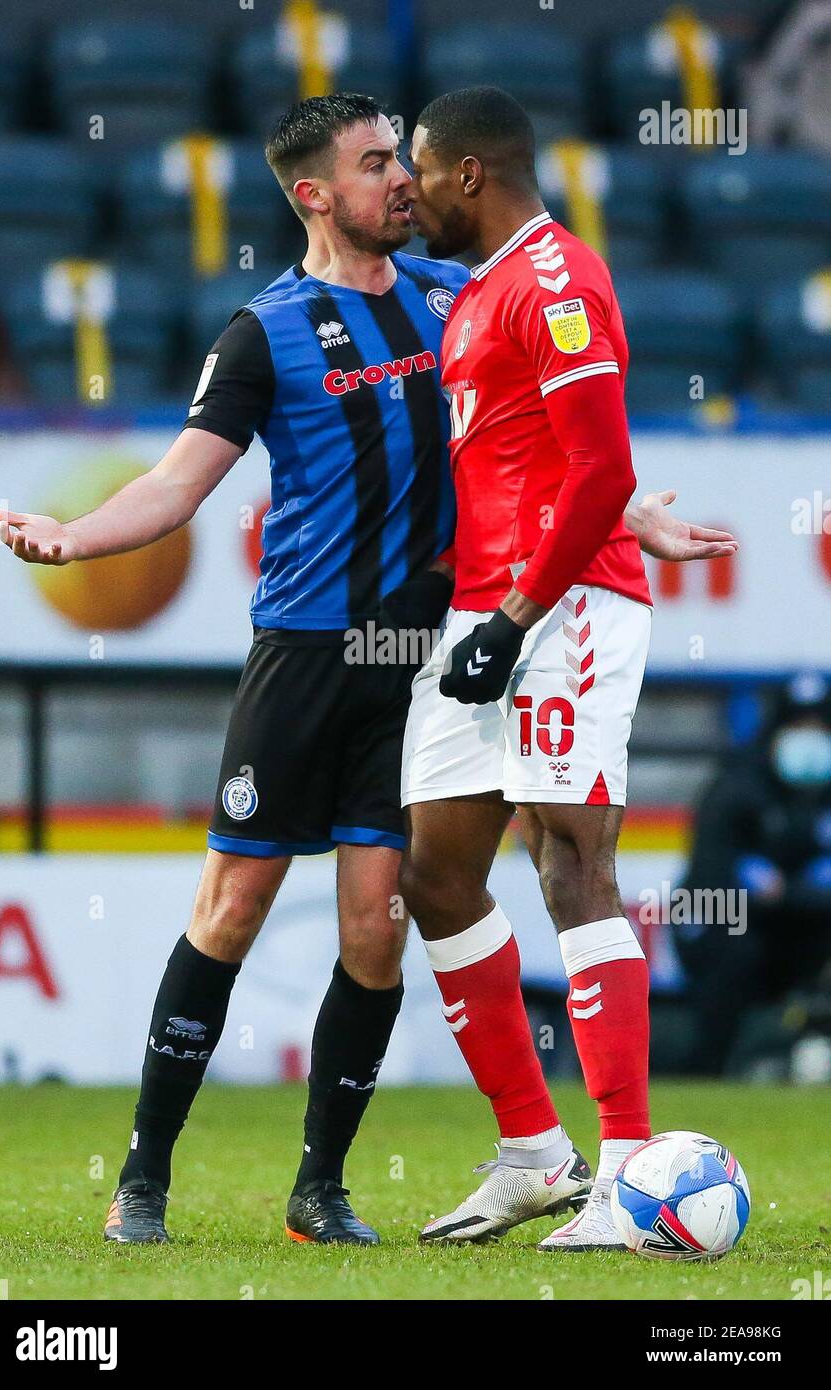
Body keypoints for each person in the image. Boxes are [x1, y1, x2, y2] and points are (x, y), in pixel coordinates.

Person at [0, 91, 734, 1250]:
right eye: (377, 163)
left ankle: (322, 1189)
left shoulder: (456, 296)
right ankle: (142, 1175)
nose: (402, 178)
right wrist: (74, 540)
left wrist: (628, 516)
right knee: (232, 908)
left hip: (435, 654)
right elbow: (178, 484)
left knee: (381, 924)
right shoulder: (263, 328)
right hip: (305, 652)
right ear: (314, 194)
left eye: (405, 159)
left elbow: (534, 439)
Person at [399, 85, 735, 1251]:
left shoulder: (557, 282)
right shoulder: (483, 291)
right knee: (436, 873)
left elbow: (596, 467)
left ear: (471, 175)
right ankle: (536, 1155)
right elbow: (533, 451)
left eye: (423, 173)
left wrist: (526, 608)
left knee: (569, 855)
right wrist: (484, 613)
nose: (411, 191)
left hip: (566, 605)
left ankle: (631, 1170)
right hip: (484, 610)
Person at [677, 672, 831, 1075]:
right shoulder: (738, 785)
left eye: (819, 727)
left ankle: (808, 1052)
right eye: (798, 727)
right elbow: (708, 881)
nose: (810, 739)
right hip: (725, 923)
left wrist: (786, 893)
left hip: (798, 925)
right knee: (733, 945)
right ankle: (708, 1070)